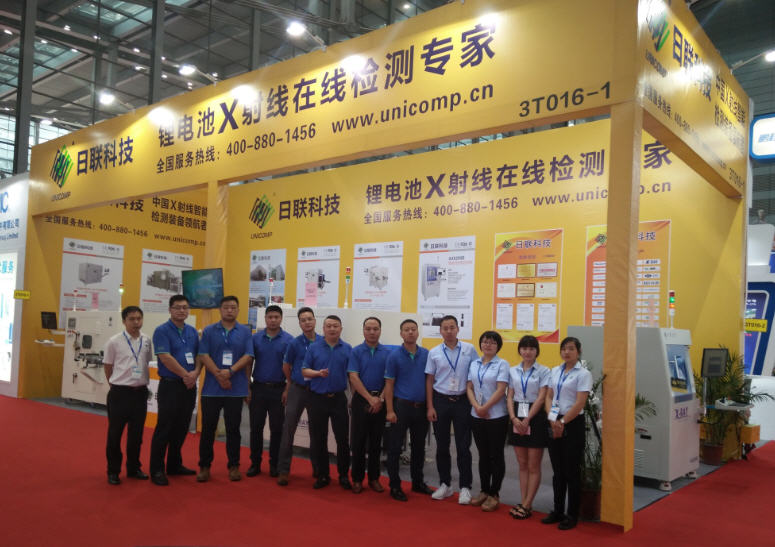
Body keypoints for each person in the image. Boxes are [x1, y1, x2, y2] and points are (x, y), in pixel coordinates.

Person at [197, 296, 254, 483]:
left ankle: (234, 466)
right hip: (211, 389)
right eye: (226, 307)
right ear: (220, 310)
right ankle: (204, 466)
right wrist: (219, 375)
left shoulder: (245, 332)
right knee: (208, 429)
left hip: (235, 389)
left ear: (238, 310)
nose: (230, 310)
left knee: (233, 429)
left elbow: (248, 356)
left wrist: (230, 372)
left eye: (233, 307)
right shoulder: (209, 330)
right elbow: (203, 354)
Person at [149, 295, 201, 486]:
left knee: (181, 427)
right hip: (170, 385)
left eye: (185, 307)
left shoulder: (192, 331)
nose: (182, 311)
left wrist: (196, 372)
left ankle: (174, 464)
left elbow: (199, 355)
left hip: (189, 386)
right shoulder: (162, 331)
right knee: (165, 428)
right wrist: (186, 375)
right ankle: (157, 469)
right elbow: (165, 357)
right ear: (170, 309)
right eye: (178, 307)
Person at [426, 315, 478, 504]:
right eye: (445, 328)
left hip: (463, 401)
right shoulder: (434, 352)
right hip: (441, 400)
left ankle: (465, 487)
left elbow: (475, 375)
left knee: (463, 446)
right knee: (442, 445)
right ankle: (445, 484)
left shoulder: (469, 349)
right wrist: (430, 406)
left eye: (452, 327)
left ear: (458, 329)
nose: (449, 331)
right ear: (440, 331)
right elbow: (430, 380)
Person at [542, 336, 592, 530]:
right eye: (564, 348)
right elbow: (549, 396)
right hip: (554, 420)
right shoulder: (555, 370)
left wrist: (562, 422)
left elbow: (580, 402)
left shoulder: (583, 374)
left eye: (571, 348)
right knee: (557, 471)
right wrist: (552, 420)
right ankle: (557, 510)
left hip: (572, 423)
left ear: (578, 351)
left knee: (571, 471)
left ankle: (572, 514)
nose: (566, 352)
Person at [103, 306, 153, 485]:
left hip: (140, 393)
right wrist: (114, 384)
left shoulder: (146, 340)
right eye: (132, 319)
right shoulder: (114, 341)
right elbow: (108, 366)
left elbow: (147, 362)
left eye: (139, 318)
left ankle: (133, 468)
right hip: (120, 393)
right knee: (115, 434)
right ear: (124, 321)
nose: (136, 322)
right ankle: (113, 471)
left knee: (136, 435)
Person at [384, 319, 433, 502]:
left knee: (419, 448)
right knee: (395, 447)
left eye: (413, 329)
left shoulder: (426, 354)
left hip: (421, 408)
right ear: (401, 334)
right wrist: (389, 410)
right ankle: (395, 485)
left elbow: (430, 381)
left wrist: (430, 406)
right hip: (401, 407)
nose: (410, 332)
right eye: (406, 330)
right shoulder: (394, 356)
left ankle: (417, 482)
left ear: (418, 332)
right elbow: (389, 385)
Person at [302, 315, 352, 490]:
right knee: (319, 439)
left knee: (342, 439)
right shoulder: (314, 347)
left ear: (341, 329)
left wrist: (352, 398)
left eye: (335, 326)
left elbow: (352, 376)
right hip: (317, 399)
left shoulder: (348, 348)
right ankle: (323, 475)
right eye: (329, 326)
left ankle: (344, 475)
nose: (332, 329)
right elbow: (304, 371)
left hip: (338, 399)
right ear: (323, 329)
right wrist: (317, 373)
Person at [276, 307, 322, 486]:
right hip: (298, 389)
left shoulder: (323, 341)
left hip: (316, 391)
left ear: (315, 321)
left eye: (309, 319)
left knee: (316, 432)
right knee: (288, 430)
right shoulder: (294, 343)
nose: (307, 322)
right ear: (300, 323)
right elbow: (286, 366)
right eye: (303, 320)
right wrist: (290, 383)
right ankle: (283, 470)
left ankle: (318, 469)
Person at [247, 305, 293, 478]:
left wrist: (287, 389)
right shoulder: (255, 338)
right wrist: (247, 386)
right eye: (270, 317)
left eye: (276, 317)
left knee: (277, 429)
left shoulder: (289, 340)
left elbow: (291, 367)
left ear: (281, 319)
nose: (273, 320)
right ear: (265, 318)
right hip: (258, 388)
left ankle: (274, 465)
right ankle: (255, 463)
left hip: (278, 389)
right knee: (255, 428)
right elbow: (248, 363)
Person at [466, 330, 510, 512]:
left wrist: (485, 407)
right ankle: (484, 490)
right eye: (485, 341)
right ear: (480, 344)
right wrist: (477, 406)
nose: (488, 345)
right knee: (483, 454)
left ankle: (494, 493)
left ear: (498, 346)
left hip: (496, 416)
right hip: (476, 415)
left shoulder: (502, 364)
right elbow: (469, 387)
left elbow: (501, 389)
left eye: (492, 342)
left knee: (496, 455)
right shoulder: (474, 363)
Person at [506, 335, 550, 519]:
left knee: (533, 465)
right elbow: (510, 395)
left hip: (536, 416)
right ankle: (524, 501)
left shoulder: (544, 371)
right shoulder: (513, 370)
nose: (527, 352)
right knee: (522, 464)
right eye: (524, 348)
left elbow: (541, 397)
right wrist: (513, 417)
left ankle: (527, 504)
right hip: (517, 414)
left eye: (531, 348)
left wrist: (528, 419)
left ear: (537, 351)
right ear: (520, 350)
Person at [347, 316, 389, 494]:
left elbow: (390, 380)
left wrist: (380, 399)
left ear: (380, 330)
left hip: (381, 401)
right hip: (361, 400)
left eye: (375, 329)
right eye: (368, 329)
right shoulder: (356, 352)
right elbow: (353, 377)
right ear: (363, 330)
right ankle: (357, 479)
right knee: (358, 442)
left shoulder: (387, 353)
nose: (372, 332)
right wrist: (370, 399)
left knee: (376, 443)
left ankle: (374, 478)